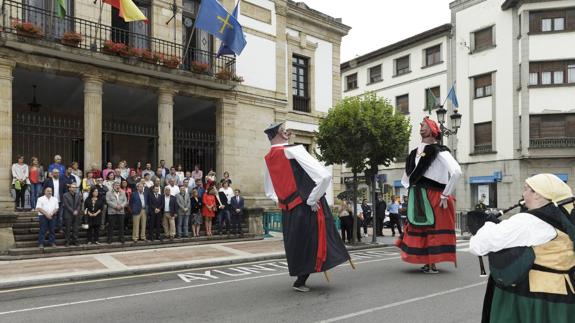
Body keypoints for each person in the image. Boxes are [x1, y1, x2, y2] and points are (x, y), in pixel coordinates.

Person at [469, 174, 575, 323]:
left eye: (526, 189)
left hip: (529, 296)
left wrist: (488, 225)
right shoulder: (565, 215)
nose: (523, 194)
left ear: (538, 195)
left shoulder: (528, 221)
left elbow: (477, 246)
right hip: (563, 292)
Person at [263, 122, 351, 292]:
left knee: (297, 244)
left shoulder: (268, 158)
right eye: (284, 130)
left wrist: (282, 200)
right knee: (317, 240)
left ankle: (300, 279)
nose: (288, 132)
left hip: (288, 208)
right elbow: (324, 176)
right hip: (306, 204)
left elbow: (269, 191)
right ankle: (301, 280)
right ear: (281, 134)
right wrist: (312, 200)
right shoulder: (294, 149)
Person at [396, 117, 462, 274]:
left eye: (425, 125)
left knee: (432, 228)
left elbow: (456, 171)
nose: (421, 127)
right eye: (420, 125)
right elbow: (406, 179)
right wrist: (410, 193)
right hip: (418, 195)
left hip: (435, 196)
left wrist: (445, 195)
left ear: (433, 130)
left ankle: (432, 262)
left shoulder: (439, 151)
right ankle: (426, 261)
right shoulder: (413, 153)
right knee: (421, 228)